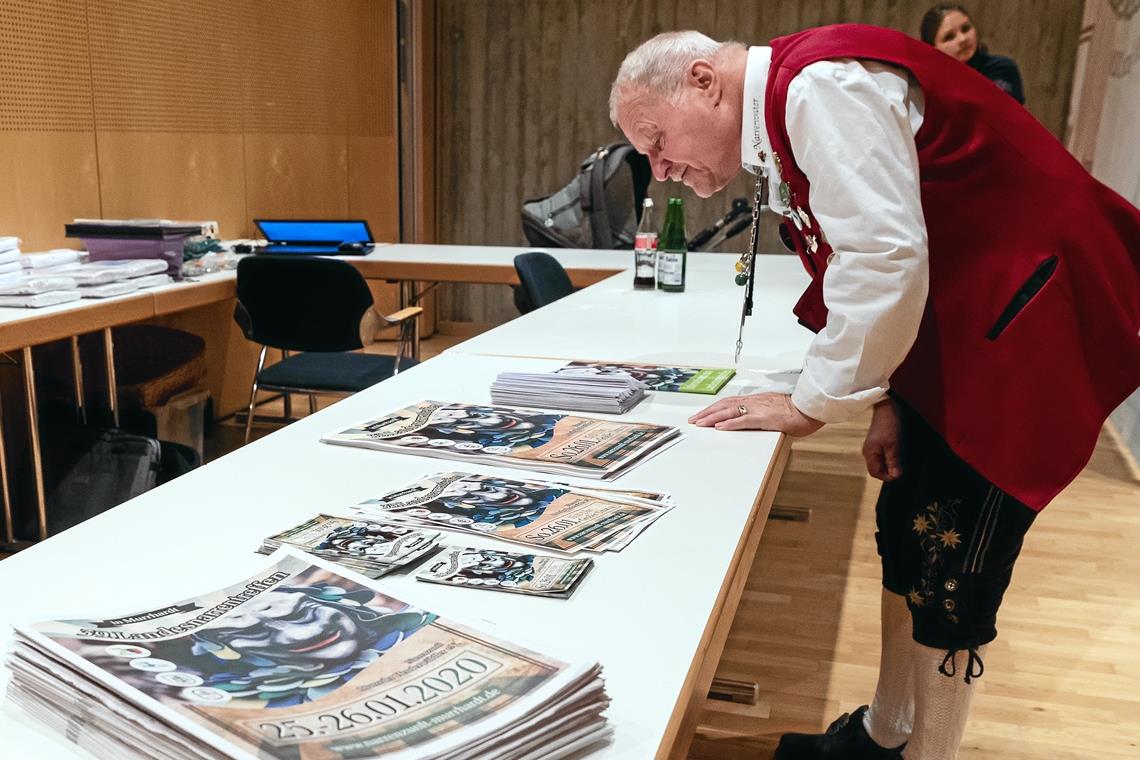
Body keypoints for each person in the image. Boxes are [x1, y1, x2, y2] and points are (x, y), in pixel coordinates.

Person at [609, 25, 1139, 760]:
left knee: (955, 573)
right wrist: (884, 399)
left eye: (657, 139)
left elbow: (884, 257)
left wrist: (810, 403)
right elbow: (874, 253)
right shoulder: (795, 104)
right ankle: (885, 734)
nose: (661, 169)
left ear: (704, 81)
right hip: (959, 332)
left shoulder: (821, 87)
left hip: (1020, 328)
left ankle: (931, 754)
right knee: (908, 536)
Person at [920, 4, 1025, 103]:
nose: (963, 39)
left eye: (966, 29)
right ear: (932, 49)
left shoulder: (1001, 68)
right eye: (949, 37)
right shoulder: (926, 85)